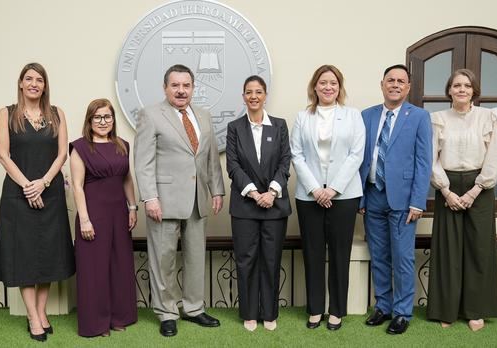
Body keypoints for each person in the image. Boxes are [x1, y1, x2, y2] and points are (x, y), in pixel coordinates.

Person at [134, 64, 225, 337]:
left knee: (196, 257)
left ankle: (194, 309)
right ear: (165, 88)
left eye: (186, 85)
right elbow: (143, 162)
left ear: (193, 88)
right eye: (175, 85)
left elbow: (210, 159)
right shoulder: (150, 115)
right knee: (163, 260)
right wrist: (150, 198)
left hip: (198, 199)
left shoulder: (204, 116)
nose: (181, 90)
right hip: (163, 201)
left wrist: (217, 190)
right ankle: (167, 312)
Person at [0, 62, 75, 342]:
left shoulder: (57, 114)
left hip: (50, 193)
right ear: (20, 83)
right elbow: (3, 155)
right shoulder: (6, 114)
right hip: (18, 195)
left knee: (49, 254)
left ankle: (42, 311)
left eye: (39, 79)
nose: (34, 84)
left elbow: (62, 153)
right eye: (28, 78)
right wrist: (29, 186)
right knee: (25, 256)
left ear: (45, 85)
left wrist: (43, 183)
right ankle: (31, 316)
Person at [290, 64, 365, 331]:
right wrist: (315, 188)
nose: (328, 87)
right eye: (323, 82)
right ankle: (314, 310)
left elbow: (357, 155)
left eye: (333, 83)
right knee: (312, 252)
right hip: (309, 196)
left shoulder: (353, 116)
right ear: (314, 86)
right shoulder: (302, 117)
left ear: (339, 87)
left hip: (344, 196)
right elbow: (296, 155)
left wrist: (332, 188)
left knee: (339, 252)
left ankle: (336, 311)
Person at [426, 69, 497, 331]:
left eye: (467, 86)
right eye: (456, 85)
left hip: (479, 188)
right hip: (447, 185)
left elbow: (493, 157)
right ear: (449, 90)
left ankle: (475, 311)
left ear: (474, 91)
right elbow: (431, 158)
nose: (461, 89)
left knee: (478, 250)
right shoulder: (437, 119)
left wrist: (475, 190)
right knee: (448, 250)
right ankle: (446, 310)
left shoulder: (488, 116)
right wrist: (445, 191)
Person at [359, 64, 432, 335]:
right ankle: (383, 306)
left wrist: (418, 201)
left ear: (408, 87)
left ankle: (402, 313)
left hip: (403, 200)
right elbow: (361, 158)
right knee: (379, 256)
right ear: (382, 84)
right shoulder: (367, 116)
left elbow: (424, 162)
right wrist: (361, 197)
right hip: (373, 194)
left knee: (402, 258)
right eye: (391, 80)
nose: (395, 85)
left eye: (401, 81)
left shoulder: (419, 117)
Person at [226, 75, 292, 331]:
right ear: (243, 96)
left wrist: (272, 193)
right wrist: (254, 193)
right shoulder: (234, 127)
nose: (254, 96)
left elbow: (285, 162)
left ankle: (269, 313)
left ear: (265, 95)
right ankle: (250, 313)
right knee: (246, 260)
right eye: (249, 92)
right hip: (245, 206)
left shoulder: (280, 126)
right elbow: (233, 165)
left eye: (258, 91)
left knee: (271, 260)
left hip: (274, 206)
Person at [69, 98, 138, 337]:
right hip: (93, 214)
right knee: (94, 270)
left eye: (107, 117)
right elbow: (77, 187)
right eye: (97, 117)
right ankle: (96, 323)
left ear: (113, 120)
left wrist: (132, 208)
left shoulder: (123, 145)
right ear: (89, 121)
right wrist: (85, 219)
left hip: (118, 213)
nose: (102, 121)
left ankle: (118, 317)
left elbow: (127, 179)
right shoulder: (79, 147)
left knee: (119, 265)